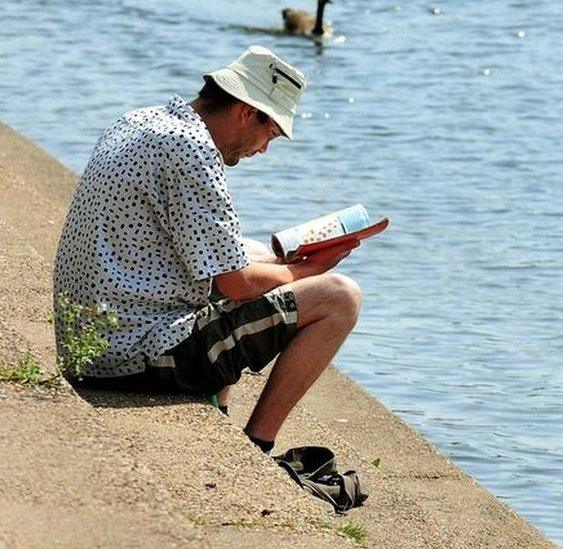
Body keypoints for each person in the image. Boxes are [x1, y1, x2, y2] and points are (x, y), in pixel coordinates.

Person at [53, 45, 361, 454]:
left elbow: (221, 258)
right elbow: (236, 284)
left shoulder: (141, 120)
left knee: (251, 252)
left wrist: (280, 263)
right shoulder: (192, 151)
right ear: (247, 112)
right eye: (270, 133)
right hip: (128, 357)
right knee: (340, 297)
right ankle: (258, 444)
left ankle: (219, 412)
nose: (264, 149)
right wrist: (310, 270)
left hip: (88, 342)